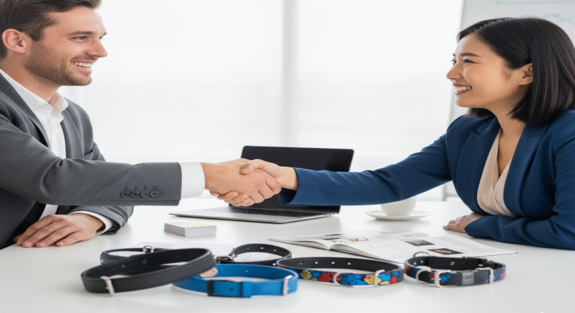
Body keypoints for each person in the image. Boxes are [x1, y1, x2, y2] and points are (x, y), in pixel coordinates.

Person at [0, 0, 280, 260]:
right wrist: (208, 175)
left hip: (25, 268)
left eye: (99, 38)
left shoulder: (71, 116)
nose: (100, 51)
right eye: (81, 38)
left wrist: (90, 218)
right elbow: (53, 179)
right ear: (16, 40)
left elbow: (109, 187)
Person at [216, 17, 575, 250]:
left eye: (469, 61)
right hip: (506, 264)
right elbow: (389, 184)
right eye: (454, 61)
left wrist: (486, 226)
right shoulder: (469, 131)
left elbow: (569, 232)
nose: (452, 75)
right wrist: (288, 177)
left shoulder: (568, 134)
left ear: (526, 73)